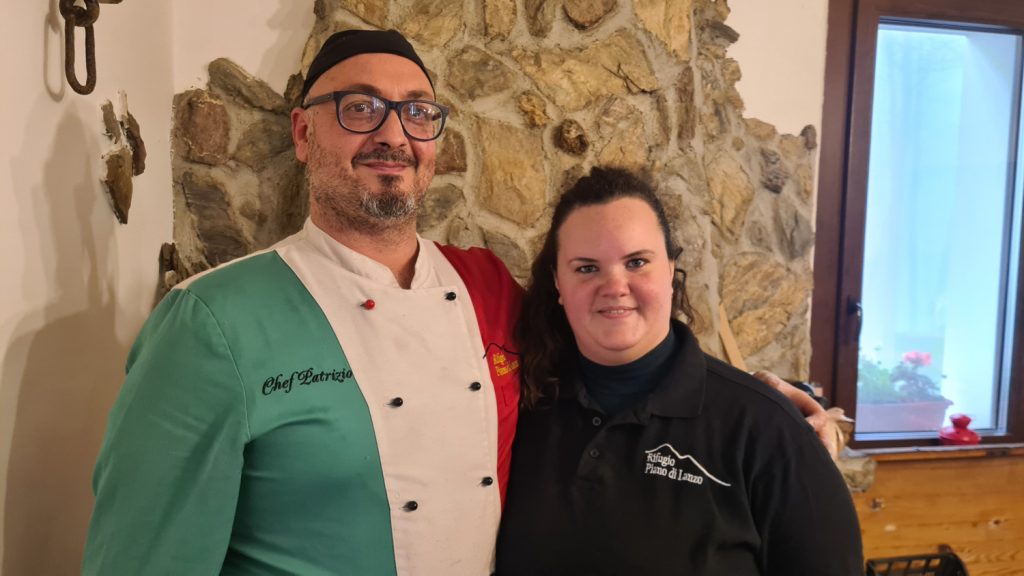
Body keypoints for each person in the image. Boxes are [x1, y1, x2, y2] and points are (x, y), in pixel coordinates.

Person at [82, 29, 836, 575]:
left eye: (417, 112)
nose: (393, 134)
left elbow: (617, 351)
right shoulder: (211, 322)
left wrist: (764, 410)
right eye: (359, 109)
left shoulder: (484, 289)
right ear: (304, 134)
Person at [495, 167, 863, 575]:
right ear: (557, 282)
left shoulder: (766, 429)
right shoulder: (520, 407)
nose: (615, 285)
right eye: (586, 268)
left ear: (670, 269)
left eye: (636, 262)